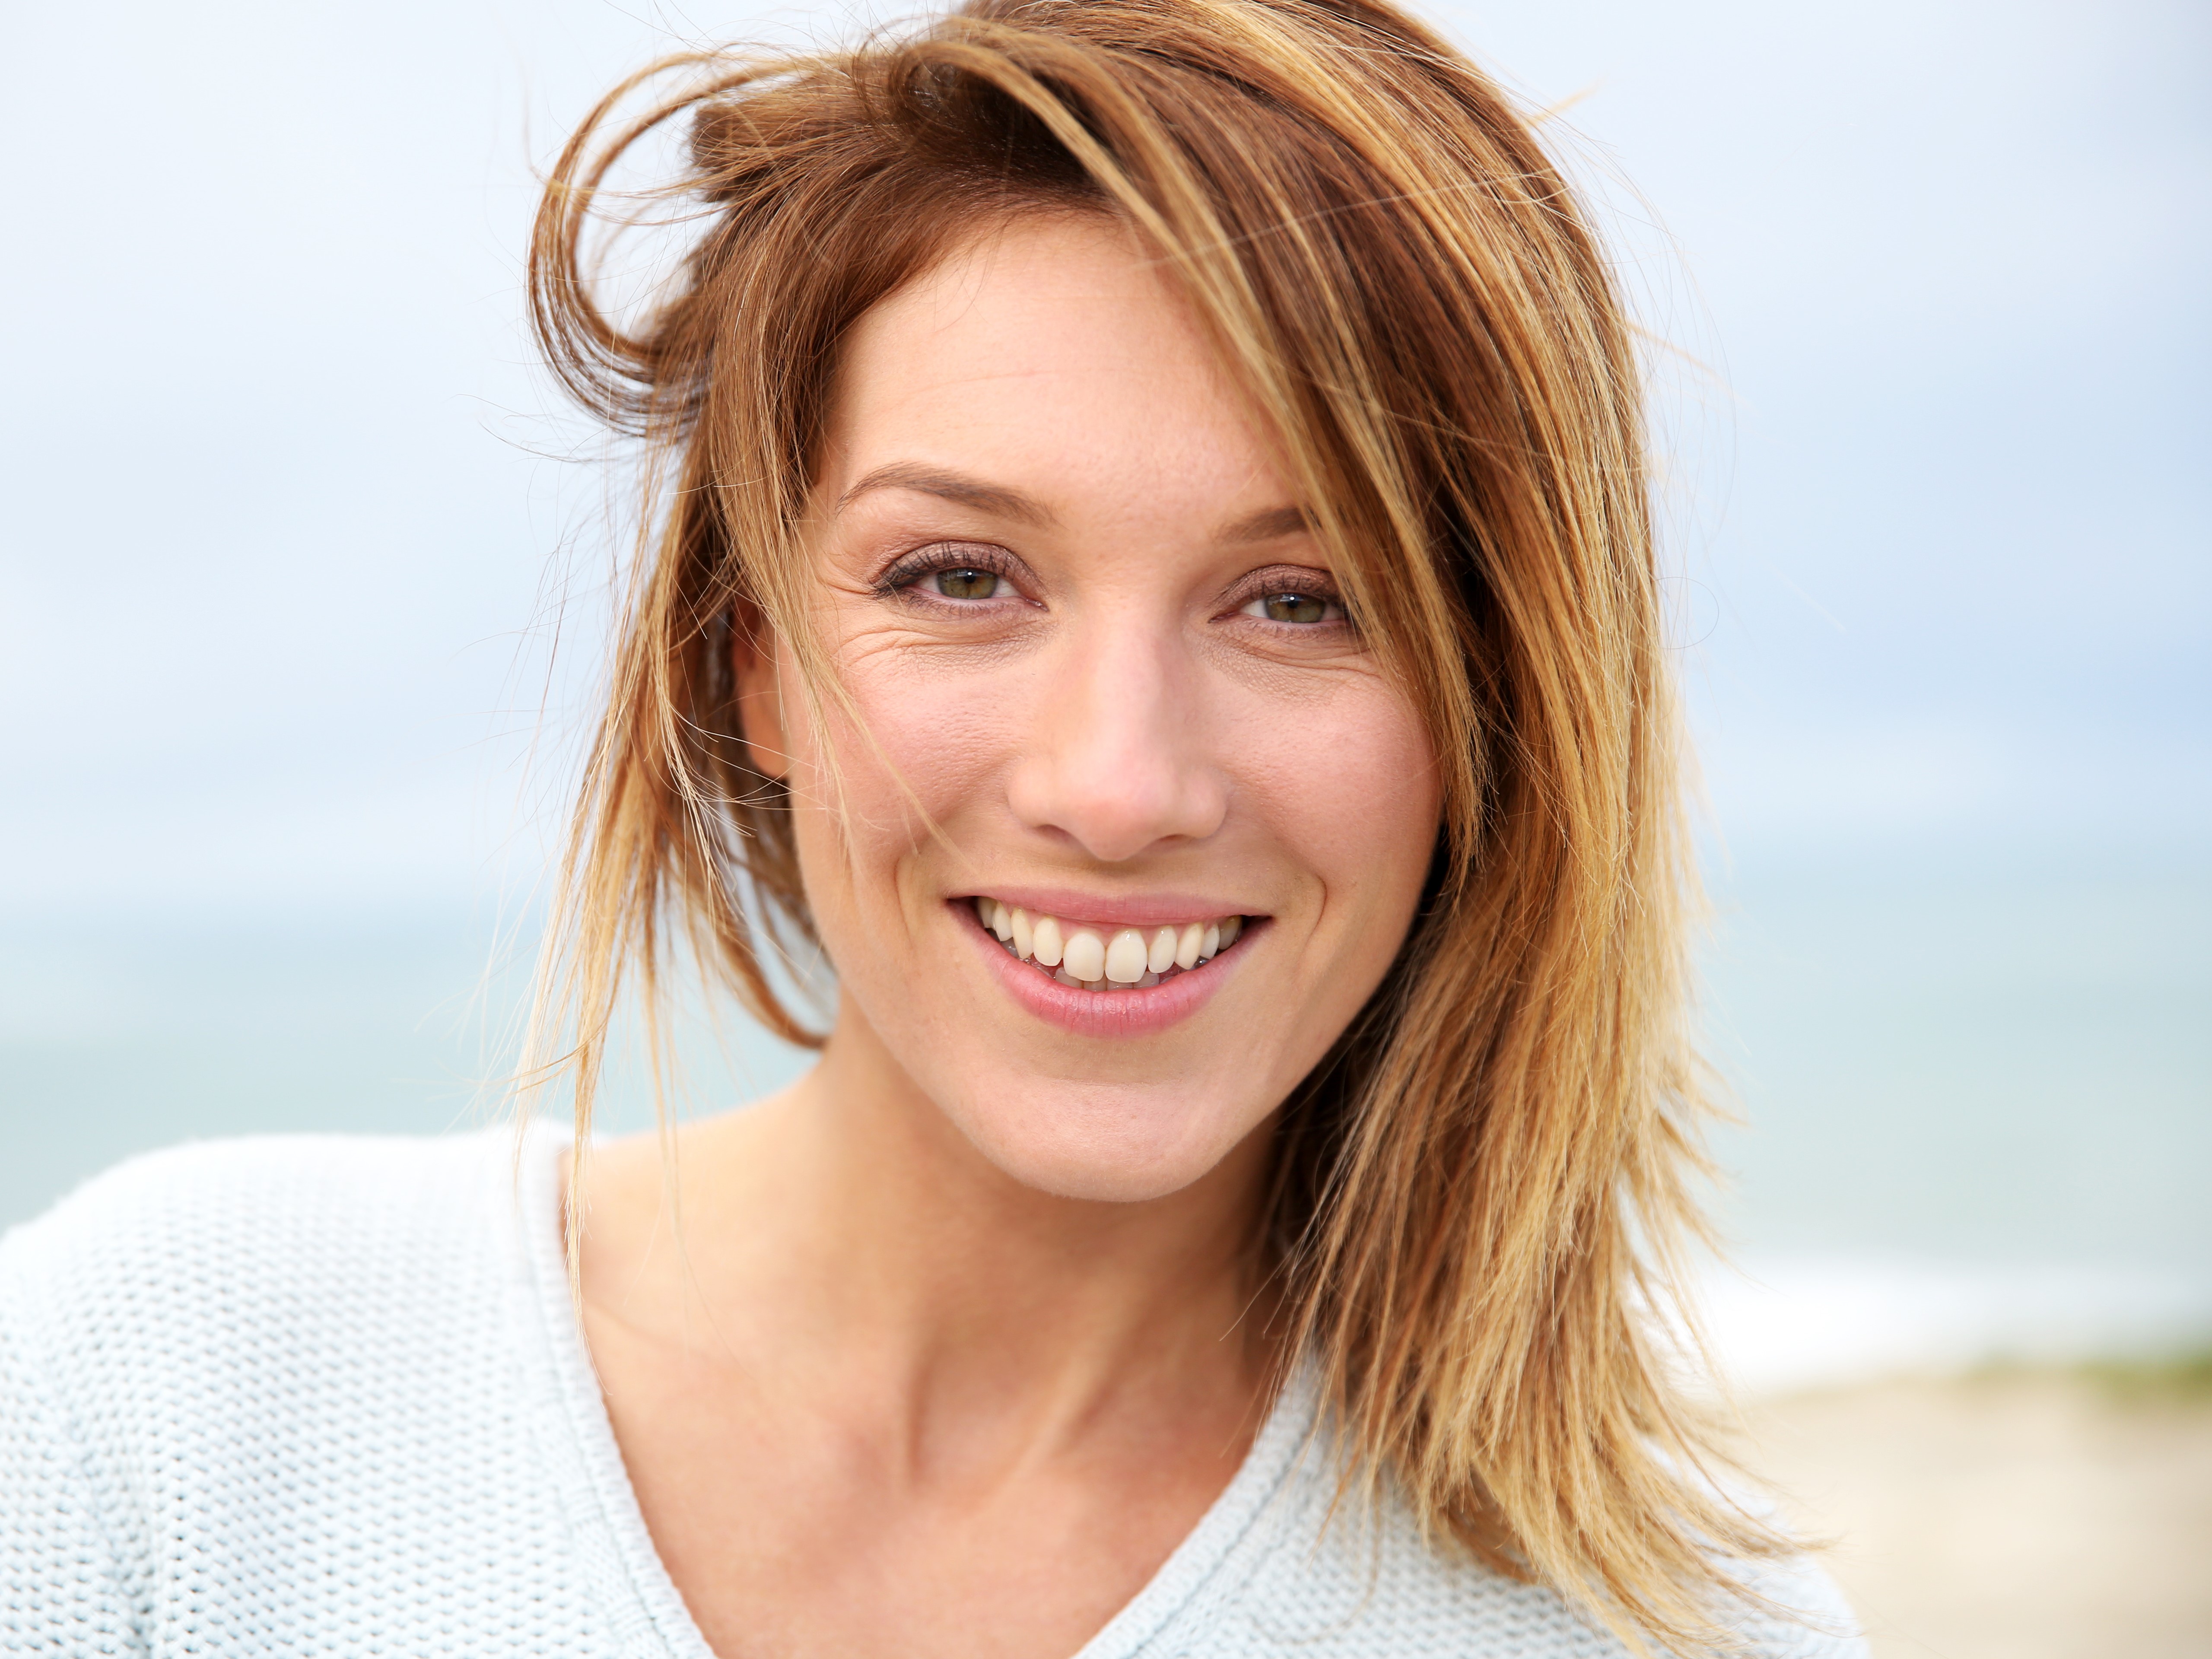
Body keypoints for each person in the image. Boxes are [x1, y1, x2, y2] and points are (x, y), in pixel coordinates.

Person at [0, 1, 1866, 1653]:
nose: (1117, 784)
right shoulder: (158, 1392)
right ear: (754, 667)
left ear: (1500, 711)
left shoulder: (1675, 1636)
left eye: (1304, 599)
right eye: (962, 575)